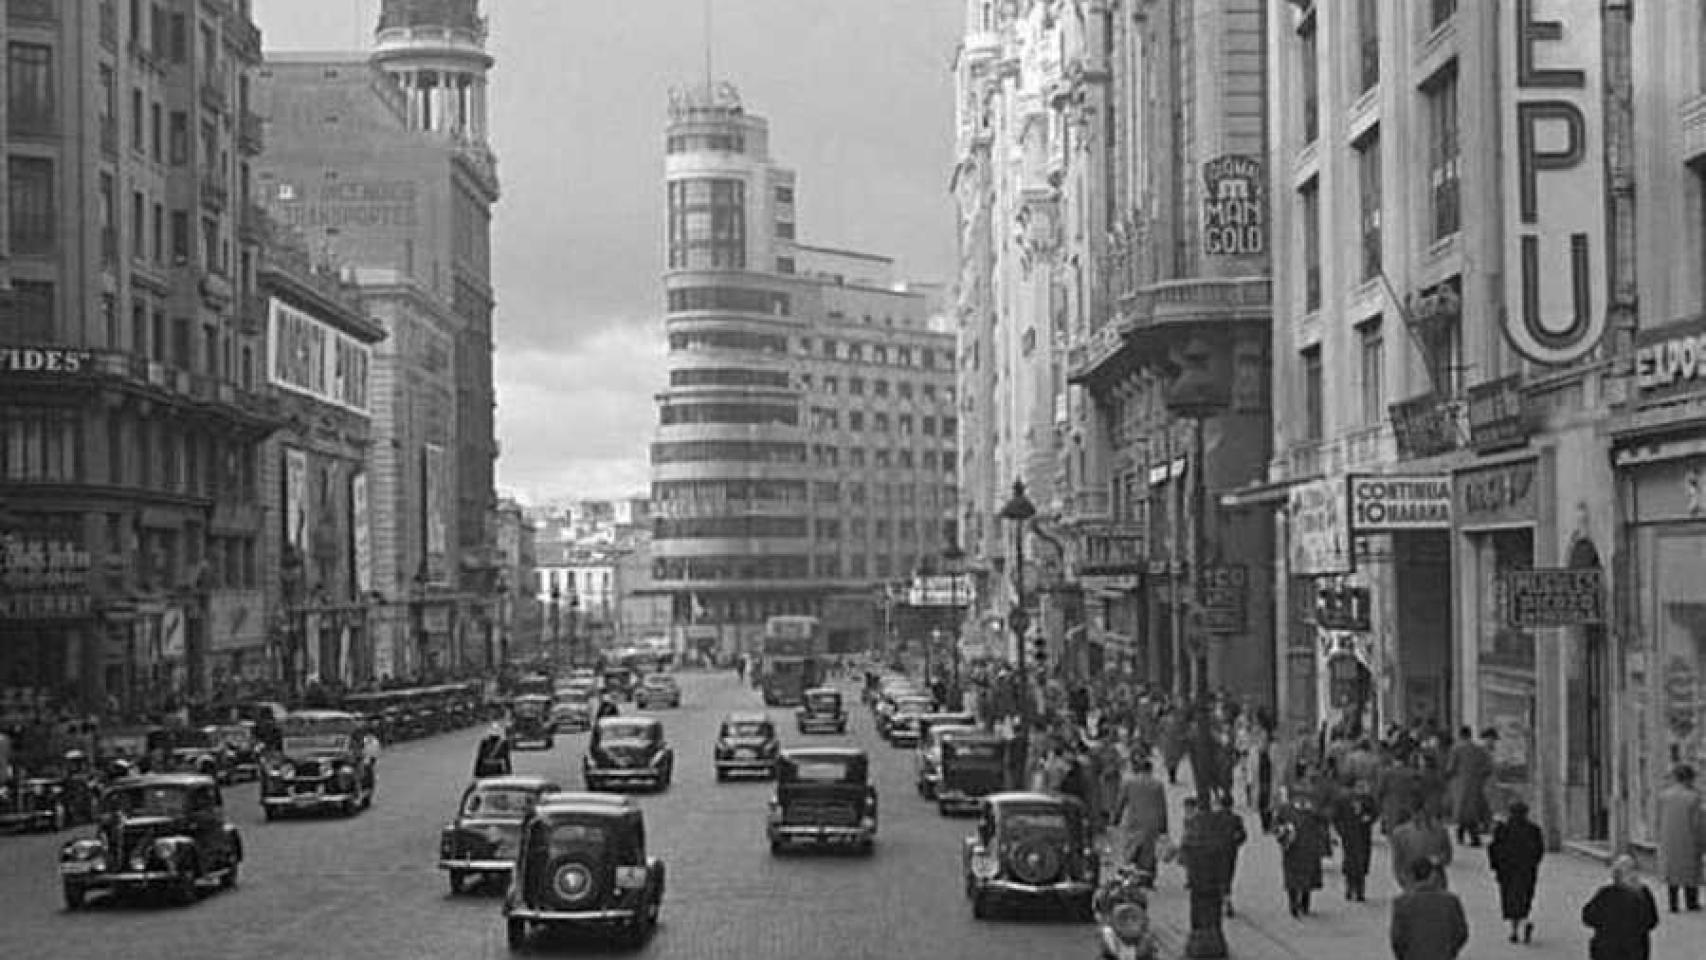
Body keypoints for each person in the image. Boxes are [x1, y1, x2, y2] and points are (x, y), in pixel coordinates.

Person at [1487, 799, 1545, 944]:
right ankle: (1524, 922)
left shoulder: (1502, 830)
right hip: (1526, 871)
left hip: (1507, 871)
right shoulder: (1533, 830)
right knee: (1525, 898)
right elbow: (1539, 850)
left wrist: (1495, 866)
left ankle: (1514, 930)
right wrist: (1533, 864)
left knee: (1509, 899)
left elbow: (1493, 849)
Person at [1583, 854, 1661, 960]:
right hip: (1635, 951)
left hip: (1606, 951)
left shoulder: (1605, 893)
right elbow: (1652, 921)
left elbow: (1588, 917)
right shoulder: (1643, 893)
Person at [1389, 858, 1469, 960]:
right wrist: (1450, 951)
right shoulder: (1451, 901)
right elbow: (1461, 932)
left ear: (1412, 876)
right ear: (1432, 875)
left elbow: (1397, 938)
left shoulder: (1401, 903)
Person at [1273, 782, 1330, 918]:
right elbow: (1276, 826)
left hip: (1310, 849)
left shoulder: (1314, 811)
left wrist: (1323, 843)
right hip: (1292, 849)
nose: (1302, 800)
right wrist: (1283, 833)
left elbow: (1324, 825)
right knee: (1292, 878)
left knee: (1307, 879)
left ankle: (1304, 903)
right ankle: (1293, 904)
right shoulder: (1286, 810)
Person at [1656, 763, 1706, 912]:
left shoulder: (1663, 796)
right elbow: (1698, 825)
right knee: (1690, 871)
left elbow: (1659, 819)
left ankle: (1673, 904)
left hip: (1668, 840)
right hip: (1689, 841)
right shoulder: (1694, 798)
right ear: (1689, 779)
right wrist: (1703, 843)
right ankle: (1691, 902)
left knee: (1672, 872)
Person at [1113, 757, 1170, 886]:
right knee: (1148, 852)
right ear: (1150, 770)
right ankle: (1147, 878)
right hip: (1152, 822)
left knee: (1131, 849)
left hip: (1134, 821)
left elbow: (1121, 802)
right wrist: (1164, 828)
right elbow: (1162, 806)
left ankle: (1130, 876)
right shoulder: (1157, 784)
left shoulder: (1129, 782)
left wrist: (1115, 819)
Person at [1445, 726, 1493, 846]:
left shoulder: (1456, 749)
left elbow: (1450, 768)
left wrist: (1449, 778)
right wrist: (1480, 778)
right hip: (1476, 785)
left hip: (1460, 785)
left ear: (1461, 735)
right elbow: (1488, 768)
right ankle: (1471, 836)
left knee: (1461, 811)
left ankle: (1462, 835)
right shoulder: (1479, 749)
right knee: (1472, 811)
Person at [1391, 802, 1453, 892]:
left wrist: (1438, 860)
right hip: (1413, 880)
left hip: (1433, 880)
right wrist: (1403, 880)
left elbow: (1447, 856)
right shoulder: (1400, 833)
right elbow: (1397, 862)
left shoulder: (1441, 831)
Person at [1334, 778, 1379, 902]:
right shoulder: (1343, 800)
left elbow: (1375, 812)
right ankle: (1349, 888)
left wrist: (1369, 819)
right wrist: (1341, 831)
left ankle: (1359, 890)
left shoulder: (1368, 800)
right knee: (1350, 861)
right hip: (1349, 835)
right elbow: (1336, 817)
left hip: (1363, 835)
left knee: (1361, 862)